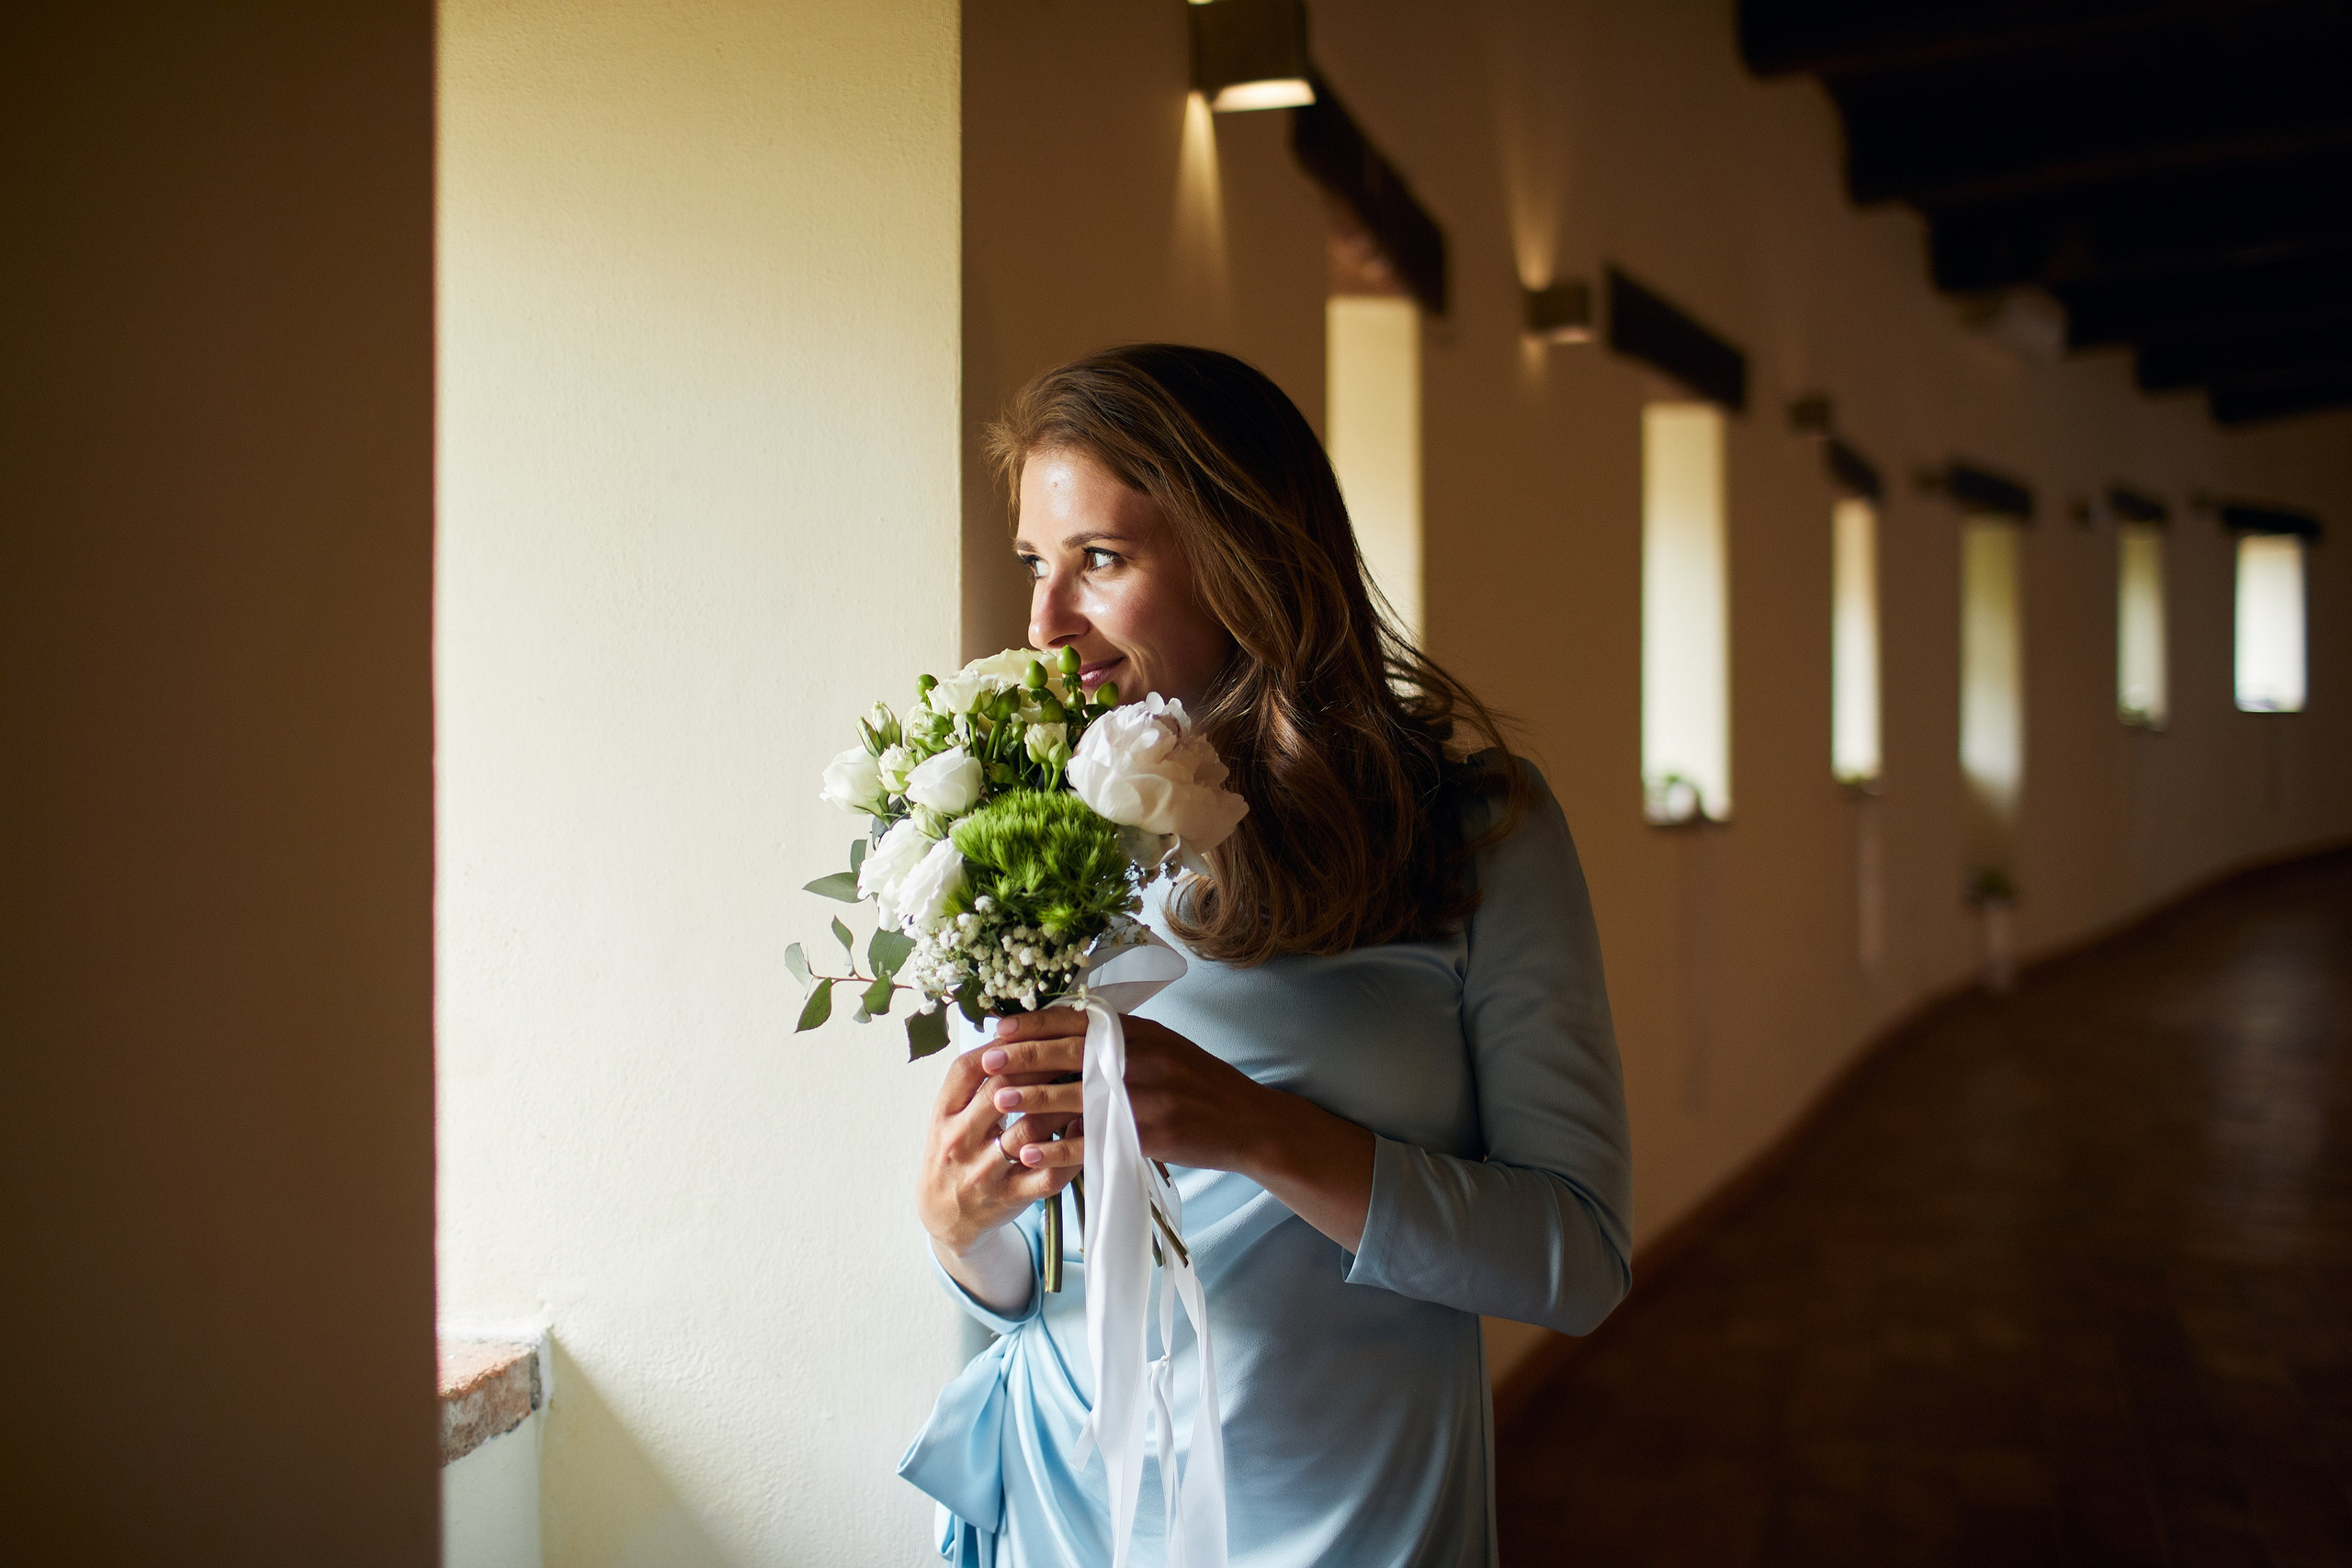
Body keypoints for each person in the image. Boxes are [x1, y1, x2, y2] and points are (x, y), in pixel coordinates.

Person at [900, 344, 1632, 1568]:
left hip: (1354, 1524)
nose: (1043, 621)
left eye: (1100, 560)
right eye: (1038, 560)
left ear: (1243, 554)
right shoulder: (1028, 830)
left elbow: (1580, 1262)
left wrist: (1257, 1131)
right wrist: (957, 1231)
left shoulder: (1473, 830)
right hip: (1064, 1510)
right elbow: (1041, 1267)